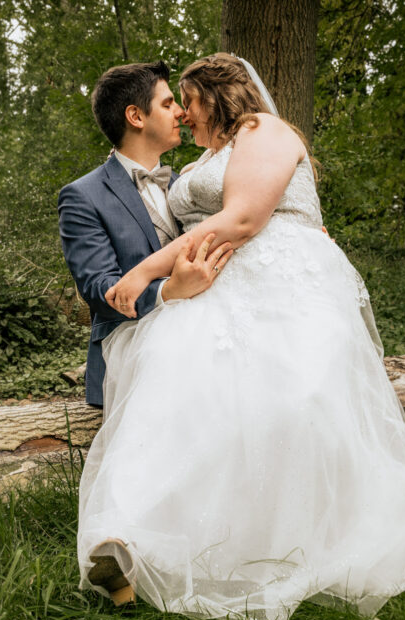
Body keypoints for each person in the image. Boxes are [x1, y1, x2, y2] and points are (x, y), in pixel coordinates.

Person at [76, 53, 405, 620]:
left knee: (301, 405)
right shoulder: (205, 158)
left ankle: (304, 536)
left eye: (186, 101)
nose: (183, 115)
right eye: (172, 104)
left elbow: (242, 218)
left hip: (285, 284)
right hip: (216, 293)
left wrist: (144, 274)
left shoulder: (261, 130)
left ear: (215, 94)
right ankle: (148, 540)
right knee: (199, 401)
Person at [57, 60, 233, 409]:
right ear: (136, 117)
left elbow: (236, 229)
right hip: (134, 353)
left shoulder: (188, 185)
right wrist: (168, 291)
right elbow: (99, 289)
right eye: (168, 104)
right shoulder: (83, 195)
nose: (182, 113)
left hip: (211, 339)